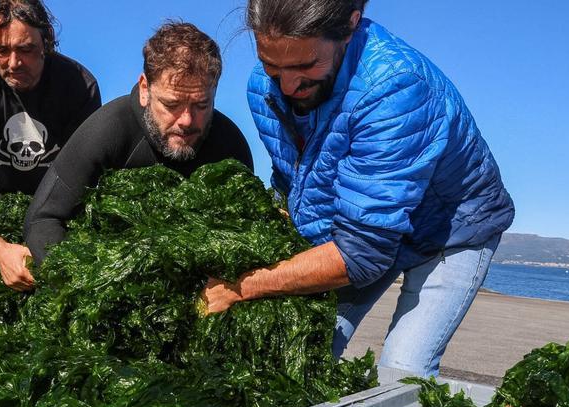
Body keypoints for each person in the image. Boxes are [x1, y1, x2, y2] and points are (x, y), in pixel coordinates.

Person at [201, 0, 515, 377]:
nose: (287, 85)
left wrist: (243, 286)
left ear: (350, 27)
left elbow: (362, 254)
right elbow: (292, 176)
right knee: (302, 351)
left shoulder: (394, 87)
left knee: (401, 373)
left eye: (304, 66)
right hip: (355, 226)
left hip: (451, 228)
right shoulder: (263, 89)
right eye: (273, 64)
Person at [24, 22, 255, 266]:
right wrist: (88, 288)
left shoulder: (231, 149)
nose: (187, 121)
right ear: (145, 89)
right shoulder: (108, 131)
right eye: (171, 105)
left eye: (201, 105)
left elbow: (246, 234)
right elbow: (42, 220)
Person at [0, 0, 101, 291]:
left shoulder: (78, 84)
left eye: (25, 49)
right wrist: (0, 249)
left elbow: (80, 177)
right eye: (1, 50)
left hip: (56, 205)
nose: (13, 63)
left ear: (46, 42)